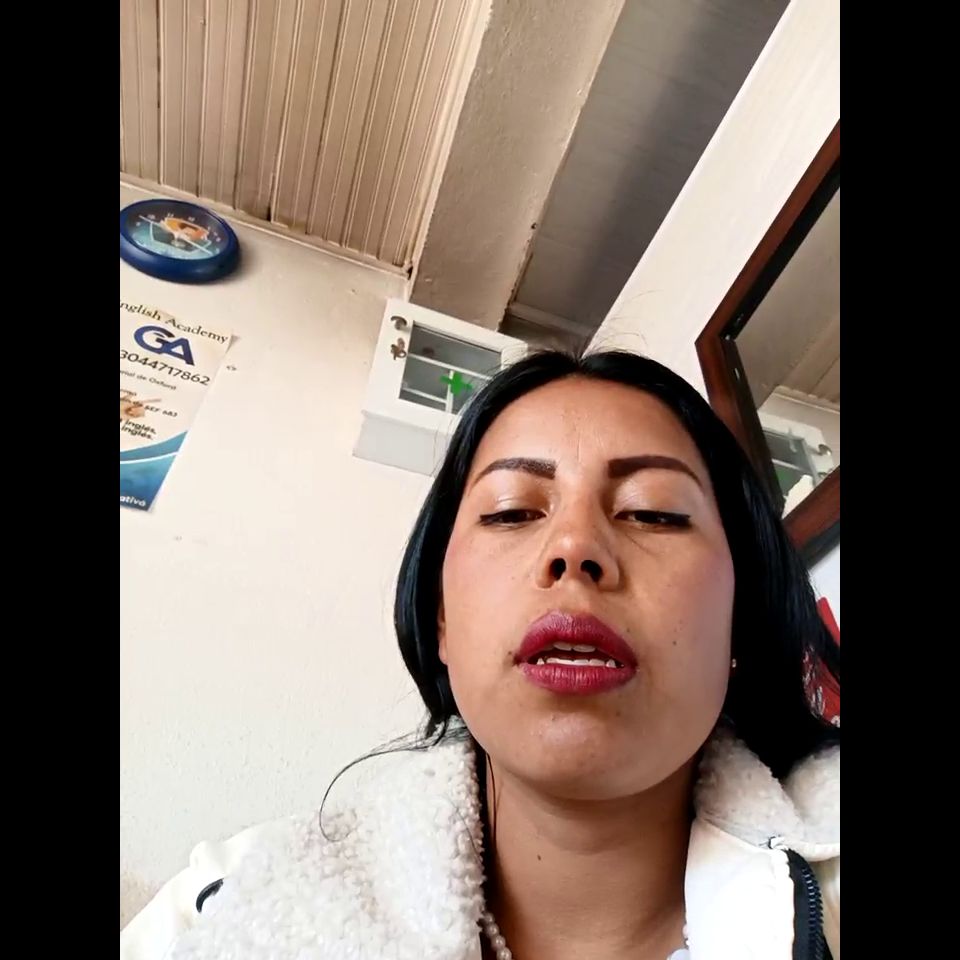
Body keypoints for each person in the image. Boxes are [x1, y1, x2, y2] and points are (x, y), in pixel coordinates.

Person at [121, 349, 840, 960]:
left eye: (652, 511)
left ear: (742, 619)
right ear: (440, 617)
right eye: (511, 511)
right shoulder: (220, 909)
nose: (574, 547)